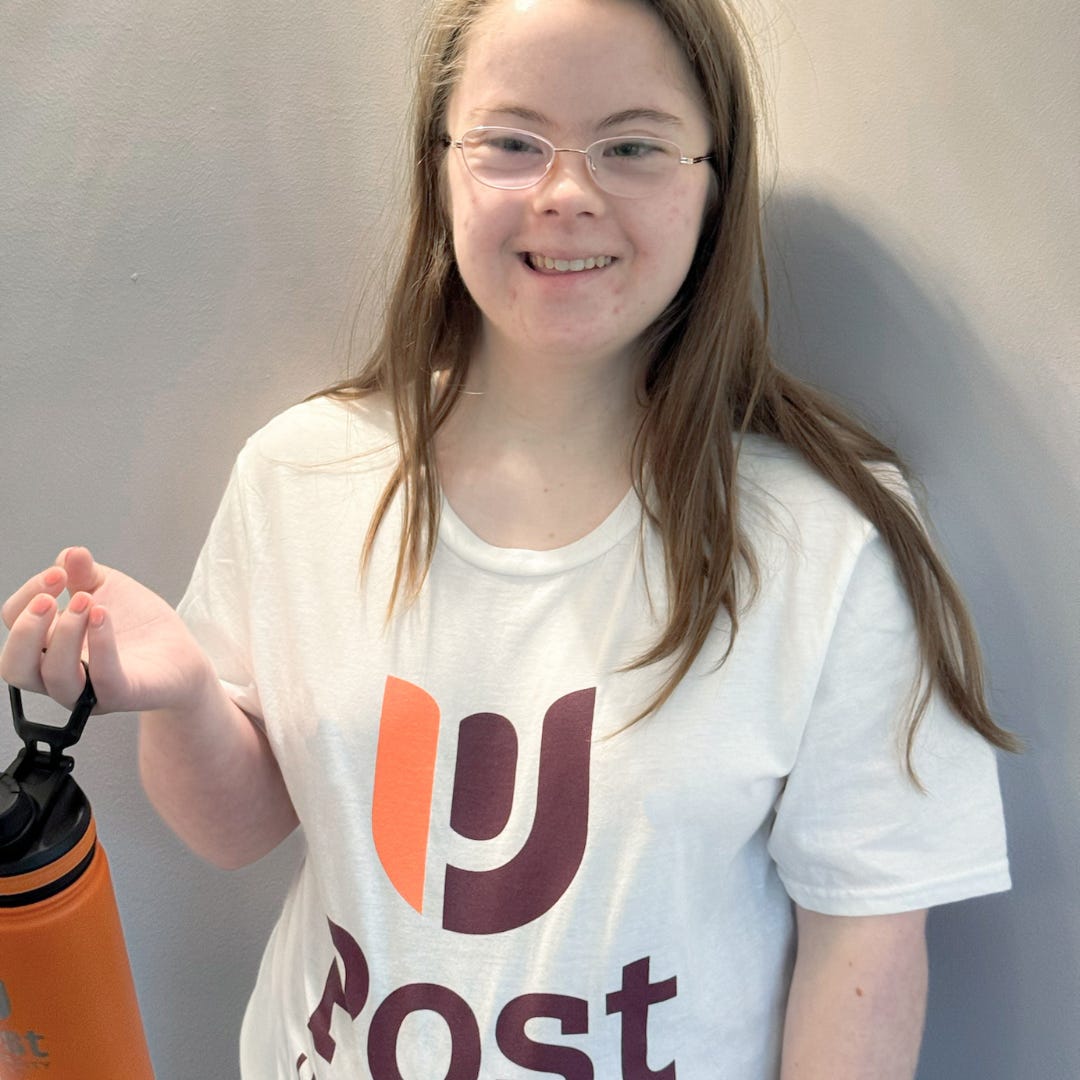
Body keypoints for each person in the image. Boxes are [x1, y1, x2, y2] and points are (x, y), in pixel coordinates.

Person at [0, 0, 1017, 1075]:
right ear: (441, 168)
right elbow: (235, 829)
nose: (567, 192)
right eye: (513, 142)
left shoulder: (832, 545)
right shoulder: (303, 474)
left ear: (715, 183)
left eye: (632, 145)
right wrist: (189, 698)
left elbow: (864, 949)